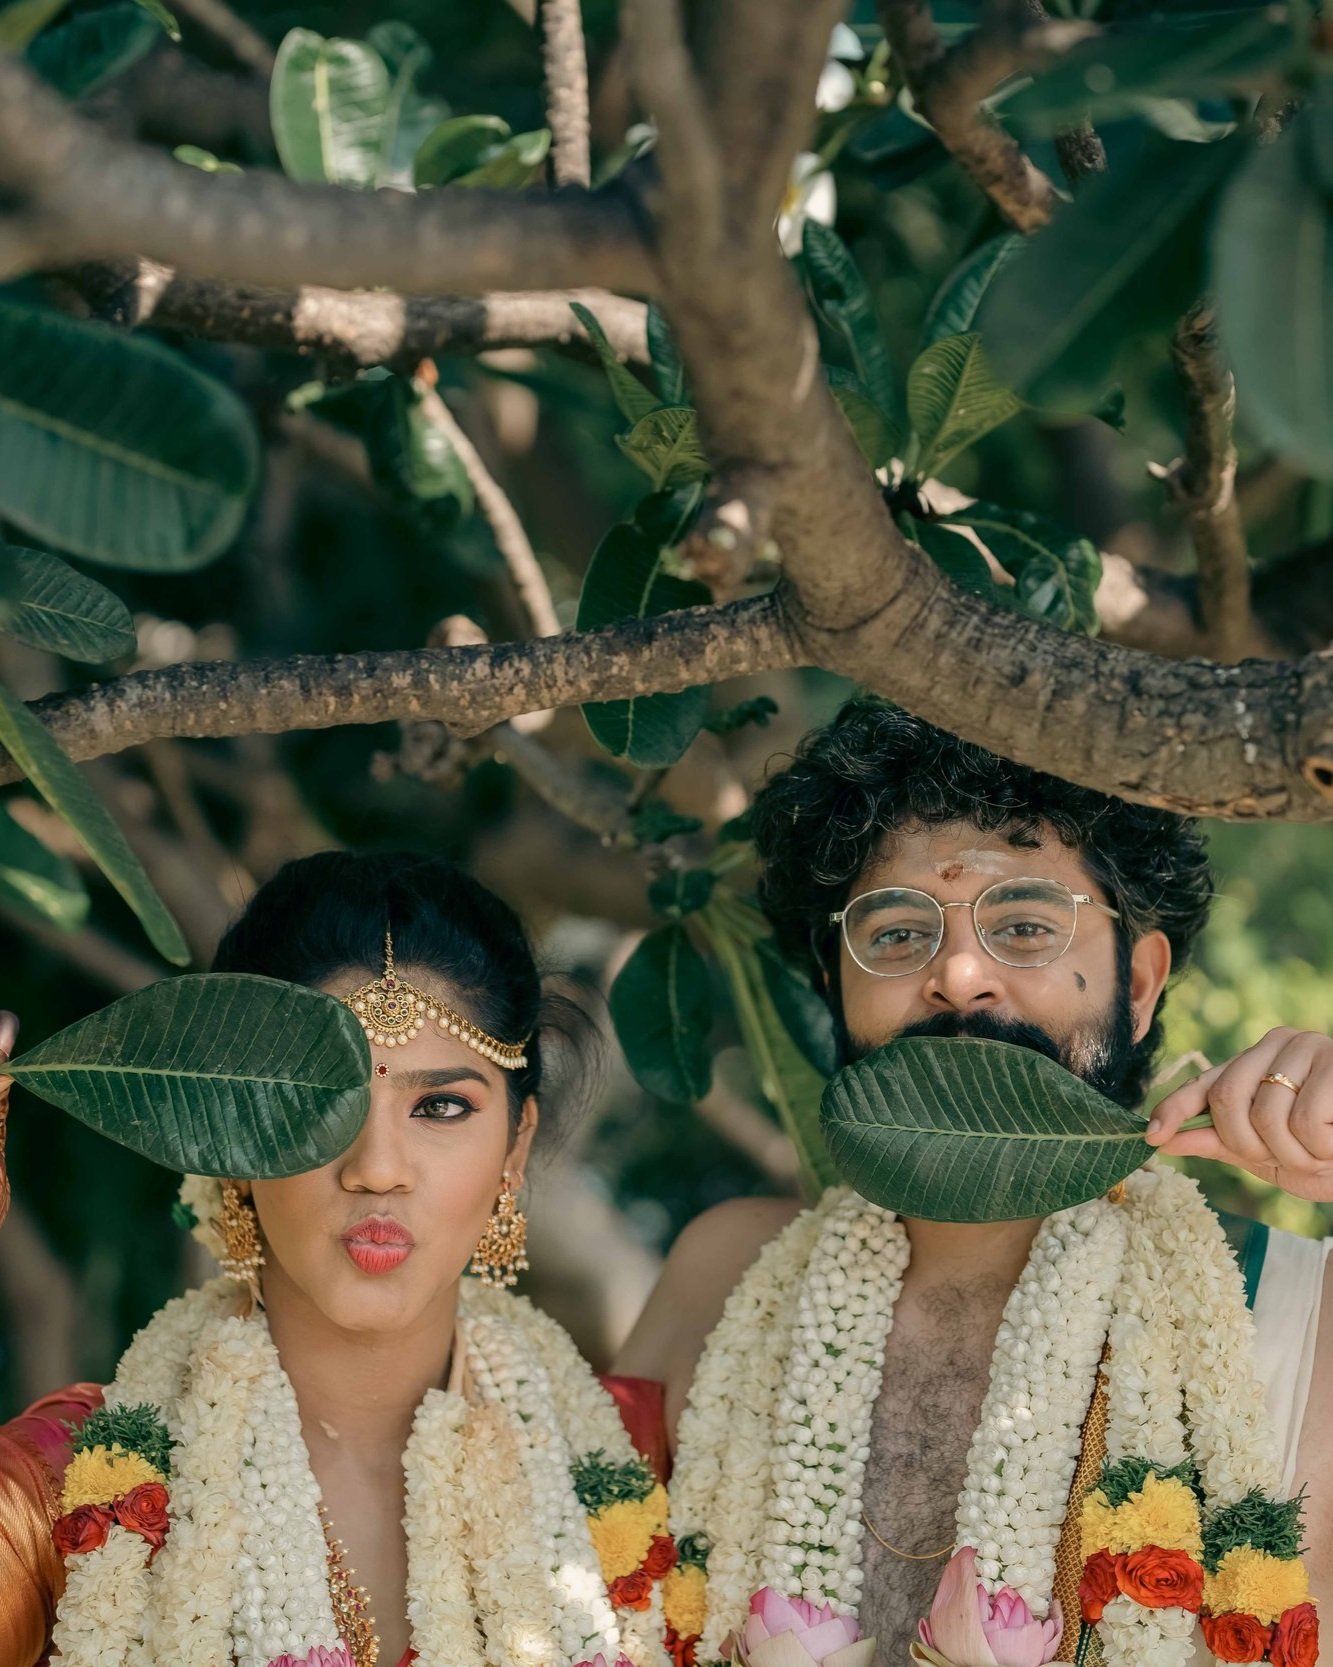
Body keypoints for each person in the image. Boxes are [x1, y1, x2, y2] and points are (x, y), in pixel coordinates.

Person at [618, 701, 1333, 1667]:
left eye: (1026, 924)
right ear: (832, 985)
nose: (957, 974)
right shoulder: (723, 1274)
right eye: (898, 934)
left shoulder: (1296, 1315)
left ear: (1138, 982)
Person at [0, 851, 675, 1667]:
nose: (378, 1165)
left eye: (440, 1105)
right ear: (235, 1137)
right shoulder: (63, 1487)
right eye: (327, 1101)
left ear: (516, 1143)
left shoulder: (632, 1462)